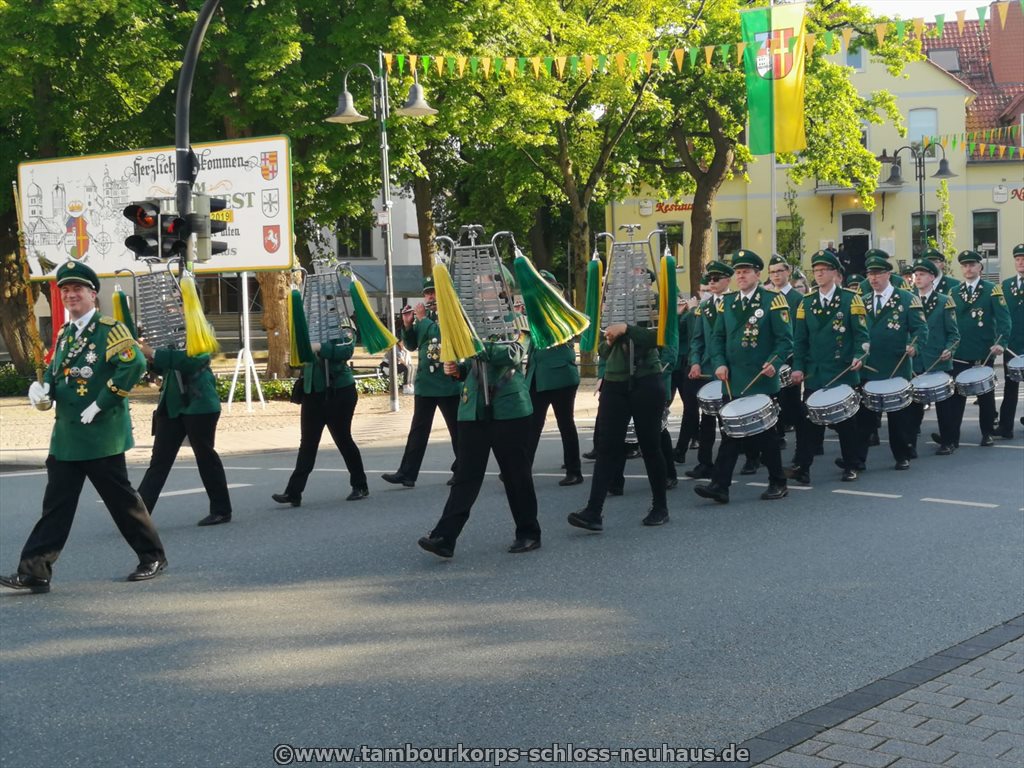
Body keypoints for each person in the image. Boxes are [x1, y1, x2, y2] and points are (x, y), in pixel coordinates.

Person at [2, 261, 167, 593]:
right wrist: (42, 391)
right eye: (65, 290)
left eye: (77, 289)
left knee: (122, 501)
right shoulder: (65, 333)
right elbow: (55, 372)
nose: (71, 295)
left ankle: (153, 556)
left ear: (93, 294)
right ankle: (35, 570)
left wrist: (100, 403)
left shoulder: (110, 329)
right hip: (67, 435)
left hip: (101, 433)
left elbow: (134, 364)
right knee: (56, 506)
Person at [418, 339, 540, 558]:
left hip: (509, 409)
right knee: (465, 475)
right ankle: (445, 536)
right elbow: (474, 365)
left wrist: (474, 343)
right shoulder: (470, 323)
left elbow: (513, 354)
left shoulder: (515, 319)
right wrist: (458, 369)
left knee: (516, 475)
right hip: (472, 408)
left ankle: (528, 532)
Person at [694, 250, 792, 504]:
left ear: (757, 274)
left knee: (767, 435)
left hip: (760, 378)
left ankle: (778, 481)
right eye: (738, 272)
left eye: (746, 271)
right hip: (733, 378)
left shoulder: (773, 300)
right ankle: (720, 485)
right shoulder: (727, 303)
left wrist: (774, 363)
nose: (741, 276)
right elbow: (717, 338)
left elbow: (785, 340)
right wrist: (719, 363)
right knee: (730, 432)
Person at [567, 309, 669, 530]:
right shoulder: (610, 307)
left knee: (650, 446)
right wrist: (611, 339)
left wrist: (627, 329)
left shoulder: (649, 305)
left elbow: (660, 338)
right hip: (614, 383)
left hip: (646, 381)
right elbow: (603, 351)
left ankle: (660, 506)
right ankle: (594, 511)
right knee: (607, 448)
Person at [786, 250, 869, 484]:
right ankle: (803, 466)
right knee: (809, 421)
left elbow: (862, 335)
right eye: (816, 270)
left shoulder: (851, 299)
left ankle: (851, 464)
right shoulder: (807, 303)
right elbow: (800, 340)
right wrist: (798, 367)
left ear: (835, 273)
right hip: (816, 372)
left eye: (824, 270)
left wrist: (859, 356)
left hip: (842, 371)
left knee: (846, 423)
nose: (819, 274)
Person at [136, 342, 233, 526]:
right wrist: (148, 357)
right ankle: (138, 514)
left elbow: (192, 362)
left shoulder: (201, 332)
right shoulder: (174, 332)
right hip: (172, 406)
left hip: (199, 405)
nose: (177, 311)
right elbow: (165, 368)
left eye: (181, 310)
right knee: (159, 462)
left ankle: (221, 510)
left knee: (206, 458)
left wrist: (155, 353)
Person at [272, 336, 369, 506]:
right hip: (313, 392)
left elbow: (346, 350)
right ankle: (294, 492)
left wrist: (320, 347)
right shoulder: (308, 323)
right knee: (307, 443)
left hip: (338, 391)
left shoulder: (340, 321)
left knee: (343, 439)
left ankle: (360, 485)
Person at [382, 277, 460, 488]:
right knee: (418, 429)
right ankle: (407, 473)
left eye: (433, 292)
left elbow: (439, 336)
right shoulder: (424, 317)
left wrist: (422, 319)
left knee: (457, 430)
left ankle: (462, 469)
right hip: (426, 382)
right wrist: (407, 325)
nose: (430, 296)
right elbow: (412, 345)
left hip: (447, 382)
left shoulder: (451, 312)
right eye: (427, 293)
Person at [855, 253, 928, 470]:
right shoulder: (862, 301)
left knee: (898, 417)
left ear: (888, 274)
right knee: (865, 418)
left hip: (897, 365)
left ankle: (902, 454)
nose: (873, 278)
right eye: (870, 274)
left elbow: (920, 329)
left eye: (877, 273)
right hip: (869, 366)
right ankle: (858, 459)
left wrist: (914, 346)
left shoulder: (907, 299)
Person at [939, 249, 1010, 448]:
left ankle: (987, 432)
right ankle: (952, 437)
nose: (968, 268)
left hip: (983, 350)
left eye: (972, 265)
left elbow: (1005, 321)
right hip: (959, 351)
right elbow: (948, 322)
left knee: (985, 395)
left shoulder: (992, 289)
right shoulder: (954, 291)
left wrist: (1001, 344)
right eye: (965, 265)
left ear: (980, 267)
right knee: (956, 396)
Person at [524, 270, 583, 486]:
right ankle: (523, 468)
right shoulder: (535, 309)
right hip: (538, 375)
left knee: (565, 424)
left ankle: (574, 470)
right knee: (532, 424)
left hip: (559, 376)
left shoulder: (560, 308)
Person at [685, 263, 733, 480]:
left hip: (730, 371)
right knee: (707, 420)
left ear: (727, 281)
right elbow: (697, 340)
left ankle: (751, 457)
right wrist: (695, 362)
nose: (712, 283)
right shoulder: (704, 308)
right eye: (709, 280)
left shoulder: (734, 305)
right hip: (707, 369)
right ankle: (705, 462)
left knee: (730, 419)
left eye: (717, 279)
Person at [908, 258, 960, 455]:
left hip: (938, 361)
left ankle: (948, 441)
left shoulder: (944, 301)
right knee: (913, 407)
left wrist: (950, 350)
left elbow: (954, 335)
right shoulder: (908, 299)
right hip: (915, 361)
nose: (918, 278)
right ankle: (909, 444)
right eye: (916, 274)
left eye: (922, 274)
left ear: (932, 277)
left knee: (944, 407)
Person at [767, 255, 803, 451]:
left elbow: (799, 331)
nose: (776, 275)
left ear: (788, 272)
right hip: (773, 358)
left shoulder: (797, 299)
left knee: (792, 401)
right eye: (772, 272)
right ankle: (778, 435)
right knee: (774, 399)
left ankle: (803, 439)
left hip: (791, 358)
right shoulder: (769, 297)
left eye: (779, 271)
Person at [995, 243, 1024, 438]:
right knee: (1010, 387)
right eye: (1018, 259)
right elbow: (999, 315)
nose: (1021, 262)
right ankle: (1006, 427)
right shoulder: (1006, 285)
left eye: (1023, 259)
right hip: (1012, 345)